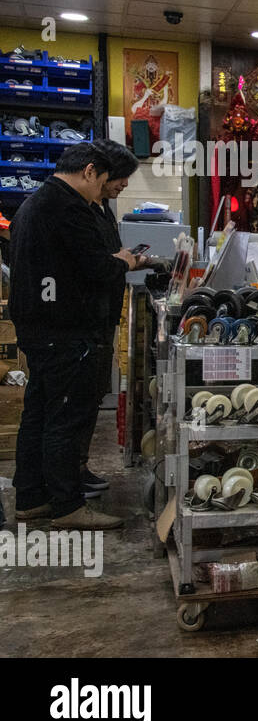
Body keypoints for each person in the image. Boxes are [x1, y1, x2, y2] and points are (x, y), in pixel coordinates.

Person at [10, 142, 145, 530]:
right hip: (64, 331)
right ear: (89, 172)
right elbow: (97, 268)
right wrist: (120, 261)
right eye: (103, 181)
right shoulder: (66, 207)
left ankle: (32, 498)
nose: (103, 191)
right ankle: (67, 506)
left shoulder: (38, 202)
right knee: (64, 419)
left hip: (43, 329)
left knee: (40, 414)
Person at [76, 142, 140, 497]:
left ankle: (78, 468)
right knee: (74, 406)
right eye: (120, 178)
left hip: (101, 320)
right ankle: (67, 481)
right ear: (97, 173)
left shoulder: (100, 209)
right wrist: (123, 263)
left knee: (87, 402)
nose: (124, 185)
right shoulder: (77, 211)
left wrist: (128, 261)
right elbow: (95, 264)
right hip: (83, 323)